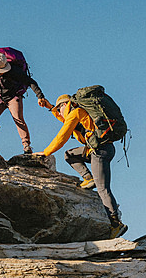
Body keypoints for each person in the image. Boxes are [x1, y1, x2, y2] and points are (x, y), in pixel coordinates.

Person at [35, 94, 128, 238]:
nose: (59, 112)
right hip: (99, 149)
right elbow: (64, 120)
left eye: (60, 108)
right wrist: (50, 108)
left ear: (66, 105)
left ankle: (116, 224)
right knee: (70, 155)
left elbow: (63, 135)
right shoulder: (76, 114)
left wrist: (46, 152)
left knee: (103, 188)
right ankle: (88, 178)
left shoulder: (76, 113)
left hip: (100, 151)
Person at [0, 50, 51, 154]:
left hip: (13, 97)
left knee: (18, 119)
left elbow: (30, 81)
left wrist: (40, 96)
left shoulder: (14, 71)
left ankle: (26, 145)